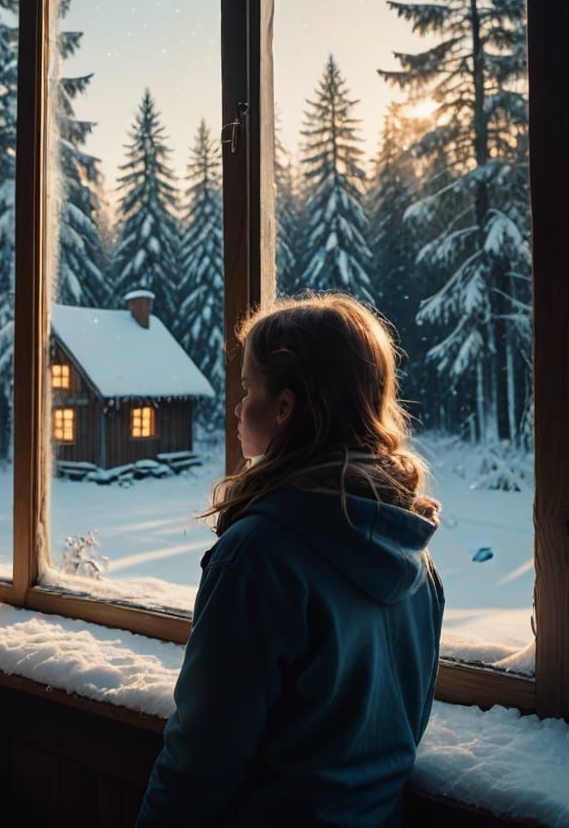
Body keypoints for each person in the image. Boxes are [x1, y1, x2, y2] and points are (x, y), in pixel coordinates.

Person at [136, 293, 445, 827]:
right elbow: (404, 727)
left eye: (249, 389)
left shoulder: (258, 557)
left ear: (284, 408)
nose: (237, 408)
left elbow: (202, 757)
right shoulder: (412, 552)